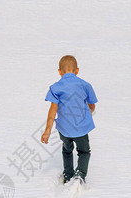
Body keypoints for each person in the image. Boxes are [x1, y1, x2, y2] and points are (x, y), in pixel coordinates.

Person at [41, 55, 98, 183]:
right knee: (84, 151)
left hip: (64, 129)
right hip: (81, 128)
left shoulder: (55, 88)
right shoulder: (85, 85)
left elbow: (52, 111)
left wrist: (47, 131)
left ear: (59, 71)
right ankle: (80, 175)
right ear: (77, 70)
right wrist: (87, 113)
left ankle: (67, 175)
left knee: (67, 150)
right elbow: (92, 106)